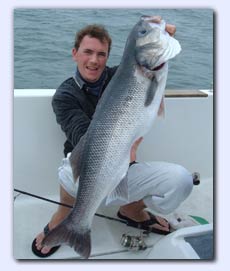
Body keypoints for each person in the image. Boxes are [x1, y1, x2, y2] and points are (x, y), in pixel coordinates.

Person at [32, 19, 194, 258]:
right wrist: (120, 148)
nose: (94, 60)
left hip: (123, 168)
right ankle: (67, 218)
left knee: (181, 181)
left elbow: (150, 62)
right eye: (87, 52)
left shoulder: (125, 74)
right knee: (67, 169)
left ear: (108, 57)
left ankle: (132, 210)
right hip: (84, 172)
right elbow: (80, 134)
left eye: (101, 54)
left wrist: (164, 35)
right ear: (75, 53)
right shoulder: (65, 95)